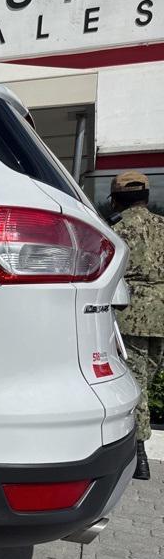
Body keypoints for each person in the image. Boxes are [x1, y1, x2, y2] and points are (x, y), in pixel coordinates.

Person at [111, 171, 164, 480]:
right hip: (161, 315)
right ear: (145, 196)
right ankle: (139, 447)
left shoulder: (118, 229)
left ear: (116, 199)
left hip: (132, 315)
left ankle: (139, 453)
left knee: (136, 384)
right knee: (149, 379)